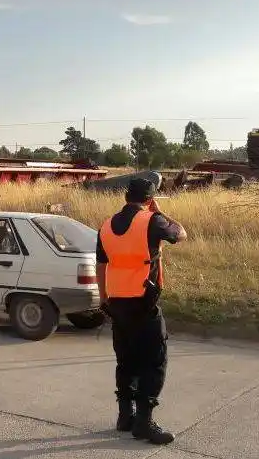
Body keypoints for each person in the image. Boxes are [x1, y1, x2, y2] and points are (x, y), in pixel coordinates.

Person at [97, 178, 188, 445]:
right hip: (143, 303)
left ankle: (125, 416)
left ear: (126, 197)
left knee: (126, 360)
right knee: (154, 361)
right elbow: (181, 234)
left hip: (116, 303)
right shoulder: (152, 220)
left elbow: (101, 265)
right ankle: (144, 423)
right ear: (149, 200)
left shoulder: (105, 226)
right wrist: (159, 213)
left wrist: (104, 300)